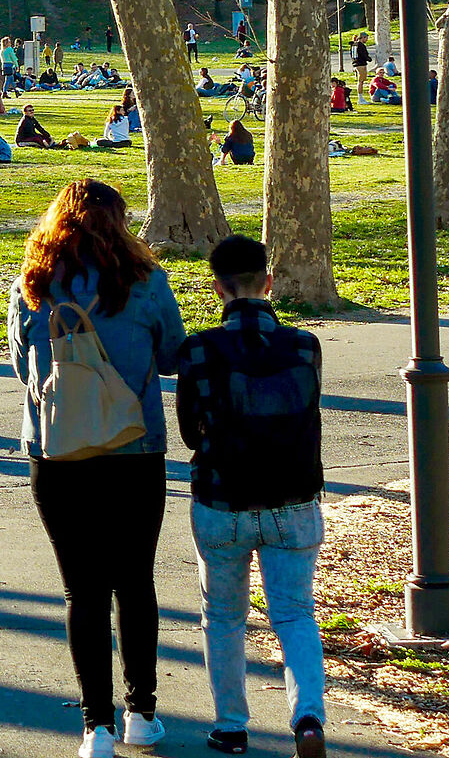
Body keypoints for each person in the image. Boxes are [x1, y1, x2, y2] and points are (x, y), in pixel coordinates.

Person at [7, 177, 185, 758]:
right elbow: (171, 358)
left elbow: (19, 367)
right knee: (135, 583)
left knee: (81, 591)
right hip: (134, 451)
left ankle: (95, 727)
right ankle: (142, 710)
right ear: (119, 222)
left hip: (57, 453)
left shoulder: (31, 286)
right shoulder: (145, 281)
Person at [175, 234, 328, 758]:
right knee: (295, 613)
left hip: (222, 499)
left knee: (222, 615)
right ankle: (307, 716)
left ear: (217, 287)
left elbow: (191, 434)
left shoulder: (198, 349)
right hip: (294, 499)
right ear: (269, 281)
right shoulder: (305, 346)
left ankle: (232, 725)